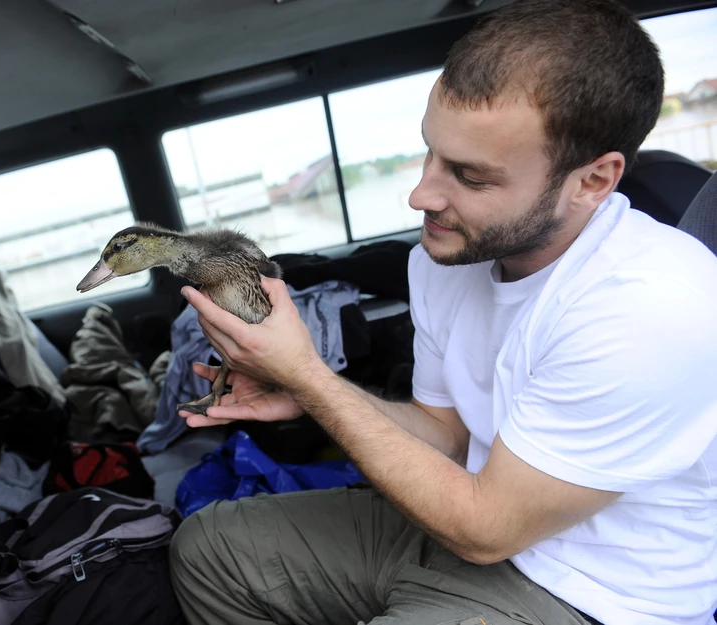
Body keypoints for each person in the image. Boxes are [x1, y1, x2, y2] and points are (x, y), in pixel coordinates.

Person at [167, 0, 717, 624]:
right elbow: (449, 437)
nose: (420, 195)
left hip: (589, 594)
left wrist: (311, 379)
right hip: (465, 529)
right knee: (210, 548)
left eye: (471, 177)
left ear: (591, 181)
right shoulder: (442, 261)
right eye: (430, 152)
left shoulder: (655, 304)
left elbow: (487, 528)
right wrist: (308, 390)